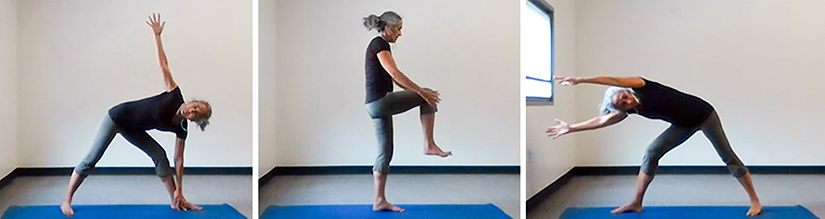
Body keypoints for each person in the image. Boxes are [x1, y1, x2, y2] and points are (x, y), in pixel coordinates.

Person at [60, 13, 212, 216]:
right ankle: (66, 200)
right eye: (195, 105)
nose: (191, 110)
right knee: (92, 158)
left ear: (195, 120)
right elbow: (163, 66)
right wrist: (157, 36)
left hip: (134, 129)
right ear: (192, 101)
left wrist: (180, 190)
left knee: (160, 156)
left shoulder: (181, 127)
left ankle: (176, 201)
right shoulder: (174, 95)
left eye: (196, 113)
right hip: (117, 117)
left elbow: (179, 159)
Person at [546, 75, 762, 216]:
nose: (625, 102)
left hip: (704, 115)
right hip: (683, 124)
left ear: (626, 91)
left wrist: (581, 80)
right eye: (621, 105)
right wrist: (572, 128)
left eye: (624, 97)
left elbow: (614, 79)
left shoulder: (641, 85)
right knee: (651, 152)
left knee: (727, 157)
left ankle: (755, 201)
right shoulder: (629, 110)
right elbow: (603, 120)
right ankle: (636, 202)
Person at [362, 11, 452, 213]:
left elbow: (394, 78)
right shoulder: (379, 44)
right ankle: (429, 144)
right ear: (387, 29)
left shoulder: (380, 45)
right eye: (398, 29)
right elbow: (395, 72)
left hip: (374, 105)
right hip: (380, 102)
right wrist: (421, 92)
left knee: (385, 153)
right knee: (427, 95)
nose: (400, 34)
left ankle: (379, 200)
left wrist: (417, 92)